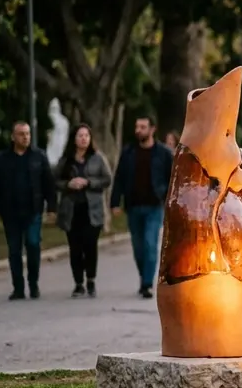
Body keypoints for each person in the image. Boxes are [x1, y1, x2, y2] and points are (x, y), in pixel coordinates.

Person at [111, 116, 174, 299]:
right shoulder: (128, 152)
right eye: (137, 126)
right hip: (133, 206)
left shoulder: (163, 153)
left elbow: (172, 179)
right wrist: (115, 202)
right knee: (138, 248)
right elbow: (119, 178)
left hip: (154, 206)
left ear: (152, 129)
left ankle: (147, 283)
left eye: (143, 127)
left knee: (149, 243)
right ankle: (143, 277)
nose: (138, 130)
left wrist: (168, 198)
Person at [0, 122, 57, 300]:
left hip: (33, 211)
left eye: (28, 134)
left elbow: (48, 183)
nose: (26, 137)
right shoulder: (2, 159)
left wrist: (52, 207)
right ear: (13, 137)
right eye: (21, 134)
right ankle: (18, 288)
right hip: (10, 212)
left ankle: (33, 283)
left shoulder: (38, 156)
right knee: (14, 250)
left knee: (33, 245)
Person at [55, 124, 112, 298]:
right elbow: (55, 181)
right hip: (71, 210)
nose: (83, 139)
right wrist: (68, 184)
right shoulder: (66, 160)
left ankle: (91, 280)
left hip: (92, 210)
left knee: (90, 246)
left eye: (86, 135)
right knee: (75, 248)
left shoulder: (97, 158)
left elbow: (107, 179)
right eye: (80, 136)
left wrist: (88, 182)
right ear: (74, 139)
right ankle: (78, 283)